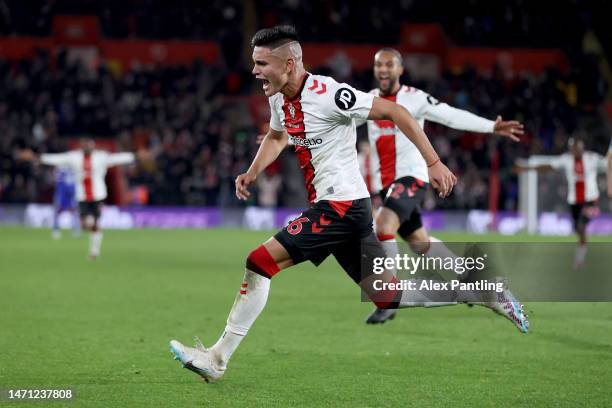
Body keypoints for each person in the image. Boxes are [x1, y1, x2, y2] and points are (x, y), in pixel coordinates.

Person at [169, 25, 528, 384]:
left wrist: (433, 162)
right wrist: (252, 171)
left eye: (262, 63)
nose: (254, 71)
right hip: (348, 209)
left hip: (338, 208)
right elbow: (278, 137)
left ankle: (217, 357)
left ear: (290, 64)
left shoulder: (330, 94)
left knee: (259, 261)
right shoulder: (278, 97)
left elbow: (397, 113)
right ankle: (485, 293)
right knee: (387, 296)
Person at [359, 48, 525, 324]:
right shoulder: (369, 101)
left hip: (411, 177)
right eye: (379, 65)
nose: (384, 70)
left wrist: (490, 127)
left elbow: (450, 115)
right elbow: (337, 122)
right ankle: (478, 282)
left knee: (383, 226)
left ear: (400, 69)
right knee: (419, 243)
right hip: (388, 186)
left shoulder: (414, 98)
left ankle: (388, 299)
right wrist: (292, 137)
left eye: (390, 65)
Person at [516, 137, 608, 268]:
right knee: (578, 229)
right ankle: (580, 257)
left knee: (581, 226)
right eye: (572, 148)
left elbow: (607, 163)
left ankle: (580, 258)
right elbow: (548, 167)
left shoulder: (592, 158)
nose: (574, 151)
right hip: (575, 201)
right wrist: (528, 169)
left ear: (581, 148)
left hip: (591, 200)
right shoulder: (566, 159)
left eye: (577, 148)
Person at [40, 138, 135, 258]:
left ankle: (94, 251)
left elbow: (116, 158)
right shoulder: (74, 157)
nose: (87, 148)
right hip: (82, 196)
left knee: (95, 224)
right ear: (82, 147)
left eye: (90, 146)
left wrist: (133, 156)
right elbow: (58, 158)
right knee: (85, 225)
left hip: (98, 195)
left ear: (93, 147)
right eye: (85, 146)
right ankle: (91, 227)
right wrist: (39, 157)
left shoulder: (100, 157)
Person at [51, 167, 80, 239]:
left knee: (75, 211)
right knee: (57, 211)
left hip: (72, 193)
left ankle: (75, 229)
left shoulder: (75, 166)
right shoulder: (60, 168)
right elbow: (55, 179)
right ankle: (56, 229)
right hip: (62, 193)